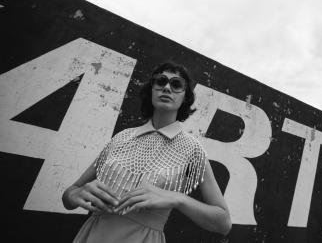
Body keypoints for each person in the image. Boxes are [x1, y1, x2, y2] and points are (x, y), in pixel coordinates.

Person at [62, 61, 232, 242]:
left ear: (185, 97)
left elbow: (224, 223)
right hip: (94, 234)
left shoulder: (192, 150)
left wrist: (178, 199)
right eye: (160, 81)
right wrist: (75, 195)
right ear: (151, 89)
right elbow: (70, 194)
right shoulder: (121, 137)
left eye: (176, 84)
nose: (167, 87)